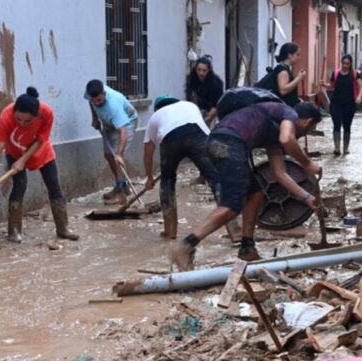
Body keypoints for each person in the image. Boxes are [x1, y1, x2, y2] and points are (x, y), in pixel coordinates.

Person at [169, 102, 323, 270]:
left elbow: (279, 174)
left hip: (220, 141)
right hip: (229, 142)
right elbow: (287, 139)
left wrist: (307, 198)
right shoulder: (288, 114)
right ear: (308, 122)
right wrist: (307, 163)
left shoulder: (275, 131)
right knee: (233, 205)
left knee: (255, 194)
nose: (306, 133)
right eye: (310, 129)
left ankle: (247, 248)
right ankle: (185, 246)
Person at [0, 87, 79, 243]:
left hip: (41, 151)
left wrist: (24, 159)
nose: (22, 123)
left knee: (54, 185)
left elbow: (41, 139)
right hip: (14, 152)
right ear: (14, 111)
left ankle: (63, 228)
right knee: (19, 186)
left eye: (28, 121)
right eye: (18, 119)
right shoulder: (5, 117)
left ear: (37, 115)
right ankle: (14, 231)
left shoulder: (46, 113)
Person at [143, 95, 220, 240]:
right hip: (198, 137)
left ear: (157, 108)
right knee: (215, 180)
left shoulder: (155, 116)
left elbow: (148, 152)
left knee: (167, 181)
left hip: (170, 139)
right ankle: (235, 231)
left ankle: (170, 231)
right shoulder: (189, 105)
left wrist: (149, 177)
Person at [84, 79, 139, 205]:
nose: (96, 103)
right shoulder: (91, 94)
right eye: (94, 100)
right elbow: (90, 102)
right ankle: (122, 186)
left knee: (116, 156)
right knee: (108, 155)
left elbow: (123, 132)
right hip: (109, 124)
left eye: (99, 100)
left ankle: (120, 193)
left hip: (127, 123)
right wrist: (95, 118)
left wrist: (119, 154)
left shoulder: (113, 106)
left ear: (104, 94)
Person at [320, 55, 360, 156]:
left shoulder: (355, 74)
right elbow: (332, 86)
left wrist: (359, 97)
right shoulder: (336, 73)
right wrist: (324, 84)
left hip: (350, 103)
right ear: (341, 63)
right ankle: (337, 148)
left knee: (347, 126)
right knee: (336, 124)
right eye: (343, 63)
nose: (345, 65)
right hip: (336, 103)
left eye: (347, 64)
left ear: (350, 64)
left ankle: (345, 149)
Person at [185, 55, 225, 127]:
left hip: (211, 113)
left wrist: (205, 121)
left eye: (204, 70)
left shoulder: (216, 84)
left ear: (209, 70)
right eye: (199, 70)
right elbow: (189, 96)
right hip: (196, 111)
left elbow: (216, 106)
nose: (201, 73)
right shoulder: (192, 78)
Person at [272, 42, 306, 106]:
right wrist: (299, 78)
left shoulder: (284, 68)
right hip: (285, 109)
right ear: (290, 55)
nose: (299, 57)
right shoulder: (283, 71)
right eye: (297, 54)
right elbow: (283, 90)